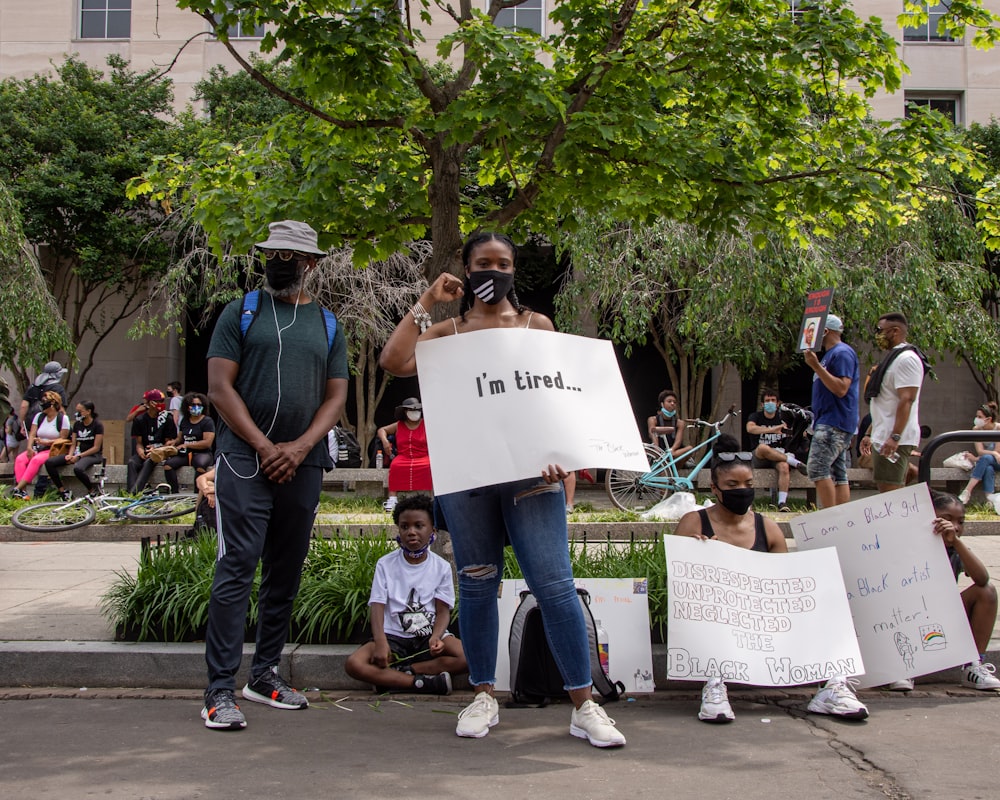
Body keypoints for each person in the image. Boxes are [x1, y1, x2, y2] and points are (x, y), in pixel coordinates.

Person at [379, 232, 626, 748]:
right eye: (483, 264)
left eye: (503, 263)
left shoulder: (538, 327)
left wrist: (566, 455)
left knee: (554, 585)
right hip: (469, 479)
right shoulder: (447, 332)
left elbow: (557, 401)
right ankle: (484, 695)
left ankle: (584, 704)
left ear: (515, 270)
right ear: (466, 272)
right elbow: (394, 360)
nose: (494, 271)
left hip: (532, 478)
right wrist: (427, 300)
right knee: (476, 584)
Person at [201, 219, 348, 732]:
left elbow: (336, 396)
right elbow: (220, 387)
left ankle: (263, 675)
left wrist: (301, 446)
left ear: (311, 264)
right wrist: (264, 446)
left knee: (285, 570)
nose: (279, 261)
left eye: (291, 254)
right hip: (245, 459)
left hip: (303, 462)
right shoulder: (240, 312)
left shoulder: (329, 324)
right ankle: (218, 689)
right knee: (237, 567)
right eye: (272, 252)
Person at [674, 434, 869, 722]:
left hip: (762, 617)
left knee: (823, 603)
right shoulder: (693, 522)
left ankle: (832, 686)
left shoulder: (768, 529)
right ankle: (714, 684)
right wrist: (698, 553)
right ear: (715, 489)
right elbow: (680, 584)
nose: (742, 490)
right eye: (732, 485)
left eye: (748, 485)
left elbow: (782, 583)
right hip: (721, 617)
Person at [345, 494, 467, 694]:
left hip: (426, 637)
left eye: (419, 526)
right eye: (404, 526)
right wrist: (381, 643)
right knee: (354, 664)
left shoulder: (442, 567)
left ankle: (402, 673)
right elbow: (377, 607)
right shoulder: (385, 564)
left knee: (467, 657)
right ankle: (420, 684)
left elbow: (443, 611)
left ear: (433, 530)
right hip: (393, 637)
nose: (411, 532)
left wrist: (436, 637)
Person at [930, 492, 1000, 690]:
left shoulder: (955, 550)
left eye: (961, 522)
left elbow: (982, 578)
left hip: (945, 616)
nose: (955, 526)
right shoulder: (912, 547)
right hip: (910, 617)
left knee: (987, 591)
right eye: (947, 519)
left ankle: (973, 665)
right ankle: (902, 671)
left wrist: (957, 543)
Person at [861, 312, 926, 494]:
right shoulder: (895, 358)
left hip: (894, 437)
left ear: (895, 331)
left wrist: (895, 436)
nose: (877, 335)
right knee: (890, 491)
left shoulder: (907, 360)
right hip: (884, 435)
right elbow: (886, 403)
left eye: (880, 330)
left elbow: (907, 399)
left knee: (889, 494)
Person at [803, 313, 859, 508]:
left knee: (817, 468)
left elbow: (841, 388)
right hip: (830, 419)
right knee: (837, 472)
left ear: (825, 331)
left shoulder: (841, 353)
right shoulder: (830, 355)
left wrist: (816, 366)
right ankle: (841, 516)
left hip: (834, 421)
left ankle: (829, 517)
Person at [745, 388, 808, 512]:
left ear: (778, 403)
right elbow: (750, 429)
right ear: (762, 404)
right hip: (760, 457)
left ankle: (782, 502)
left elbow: (803, 433)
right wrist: (773, 429)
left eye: (773, 400)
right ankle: (794, 462)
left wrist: (795, 430)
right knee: (763, 448)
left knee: (784, 466)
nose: (770, 403)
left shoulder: (784, 418)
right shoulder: (755, 416)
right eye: (767, 400)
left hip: (779, 455)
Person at [11, 390, 71, 500]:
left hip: (53, 449)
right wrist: (29, 448)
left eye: (44, 402)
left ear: (52, 404)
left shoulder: (63, 418)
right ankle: (23, 493)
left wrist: (47, 442)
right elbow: (32, 433)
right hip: (38, 448)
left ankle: (17, 489)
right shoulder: (39, 416)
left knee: (36, 460)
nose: (42, 404)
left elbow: (63, 439)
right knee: (20, 459)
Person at [377, 397, 432, 513]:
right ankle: (392, 499)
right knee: (395, 465)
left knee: (428, 466)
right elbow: (382, 430)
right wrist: (385, 441)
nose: (415, 412)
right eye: (411, 410)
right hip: (404, 456)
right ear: (405, 412)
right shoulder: (399, 425)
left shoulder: (426, 424)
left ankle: (431, 498)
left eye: (417, 410)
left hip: (423, 456)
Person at [44, 400, 104, 500]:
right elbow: (73, 443)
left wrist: (79, 456)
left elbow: (96, 447)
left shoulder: (97, 425)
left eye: (80, 411)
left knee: (78, 469)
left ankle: (92, 491)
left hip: (93, 455)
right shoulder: (77, 425)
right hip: (78, 454)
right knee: (49, 462)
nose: (77, 414)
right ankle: (62, 491)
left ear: (88, 412)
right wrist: (70, 455)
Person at [161, 392, 215, 493]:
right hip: (185, 453)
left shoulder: (207, 421)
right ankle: (174, 492)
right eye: (193, 405)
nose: (196, 407)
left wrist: (187, 444)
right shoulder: (185, 421)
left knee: (200, 466)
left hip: (202, 452)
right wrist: (172, 442)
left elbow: (207, 442)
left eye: (199, 405)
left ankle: (196, 495)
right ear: (187, 407)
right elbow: (180, 438)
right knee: (168, 465)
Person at [126, 389, 178, 493]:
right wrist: (140, 451)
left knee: (149, 462)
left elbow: (169, 442)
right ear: (150, 402)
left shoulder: (167, 418)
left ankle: (134, 493)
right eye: (158, 401)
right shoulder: (140, 419)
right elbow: (139, 443)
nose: (161, 404)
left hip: (161, 451)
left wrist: (156, 449)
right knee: (132, 462)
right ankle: (130, 493)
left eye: (162, 401)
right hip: (145, 450)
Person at [958, 402, 1000, 506]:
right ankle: (989, 500)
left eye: (979, 417)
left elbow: (998, 450)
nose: (977, 419)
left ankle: (967, 491)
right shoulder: (976, 429)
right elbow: (980, 451)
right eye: (976, 416)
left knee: (986, 459)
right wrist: (993, 453)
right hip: (988, 460)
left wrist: (978, 458)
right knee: (988, 468)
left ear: (988, 419)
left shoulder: (998, 428)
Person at [647, 389, 691, 461]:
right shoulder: (653, 420)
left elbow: (678, 440)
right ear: (662, 404)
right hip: (658, 452)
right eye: (669, 401)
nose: (672, 403)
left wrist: (672, 450)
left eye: (674, 402)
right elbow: (653, 435)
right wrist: (658, 453)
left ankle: (672, 467)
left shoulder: (680, 423)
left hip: (673, 452)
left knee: (689, 449)